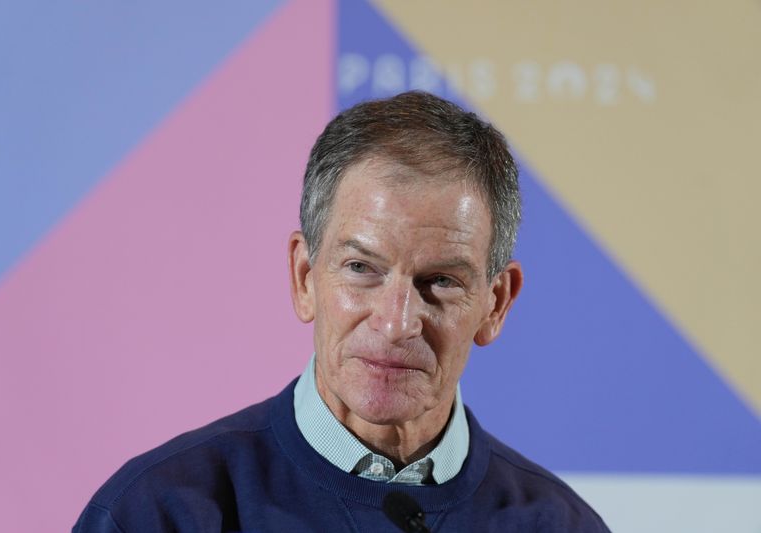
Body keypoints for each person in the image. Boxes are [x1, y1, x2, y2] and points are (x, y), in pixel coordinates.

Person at [73, 91, 610, 532]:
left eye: (440, 281)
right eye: (362, 269)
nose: (396, 322)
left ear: (496, 304)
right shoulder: (158, 514)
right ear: (305, 277)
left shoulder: (560, 527)